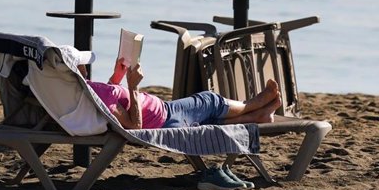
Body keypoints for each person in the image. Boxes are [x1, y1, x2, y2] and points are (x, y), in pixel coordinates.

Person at [66, 48, 281, 130]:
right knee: (209, 101)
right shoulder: (93, 96)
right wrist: (133, 86)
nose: (84, 66)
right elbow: (134, 125)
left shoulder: (88, 91)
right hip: (166, 117)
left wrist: (117, 76)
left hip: (165, 115)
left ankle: (259, 115)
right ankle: (254, 103)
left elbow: (112, 101)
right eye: (80, 63)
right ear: (75, 71)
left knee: (210, 121)